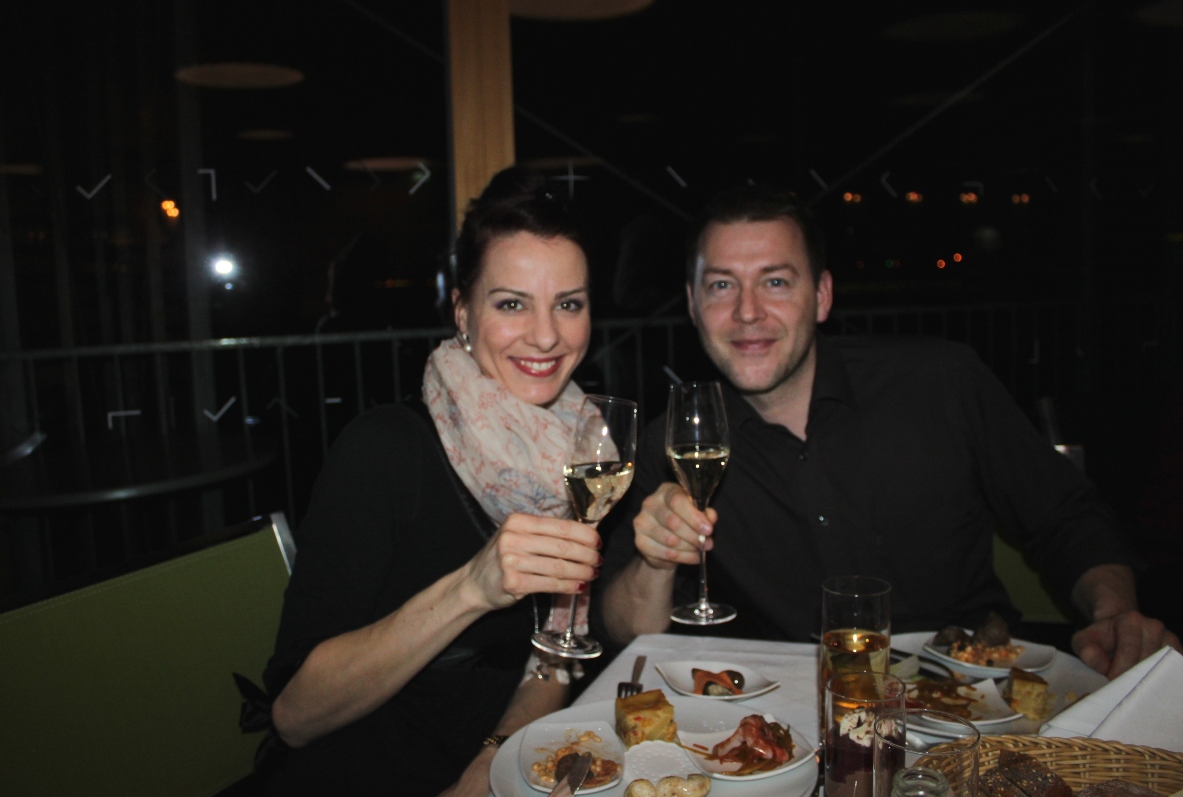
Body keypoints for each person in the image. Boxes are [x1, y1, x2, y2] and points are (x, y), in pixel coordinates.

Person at [600, 184, 1180, 679]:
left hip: (971, 697)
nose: (747, 312)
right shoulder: (673, 443)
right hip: (788, 720)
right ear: (693, 305)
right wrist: (656, 561)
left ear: (821, 296)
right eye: (722, 286)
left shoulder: (943, 382)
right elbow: (625, 628)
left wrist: (1113, 616)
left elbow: (1067, 518)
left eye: (775, 282)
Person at [263, 168, 602, 796]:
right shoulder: (385, 451)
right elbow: (294, 716)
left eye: (569, 304)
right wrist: (471, 587)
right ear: (462, 312)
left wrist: (491, 764)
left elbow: (555, 656)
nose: (546, 335)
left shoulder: (587, 451)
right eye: (511, 304)